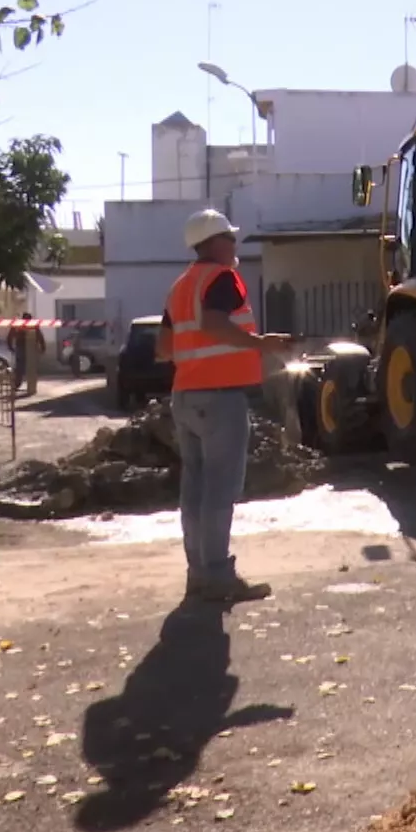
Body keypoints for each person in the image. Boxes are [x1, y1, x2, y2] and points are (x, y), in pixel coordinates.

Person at [162, 209, 291, 604]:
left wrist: (198, 360)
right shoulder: (221, 277)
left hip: (185, 396)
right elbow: (216, 325)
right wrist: (262, 344)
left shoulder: (181, 285)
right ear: (215, 243)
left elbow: (165, 348)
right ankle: (218, 575)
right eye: (230, 238)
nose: (235, 245)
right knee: (220, 489)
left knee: (196, 489)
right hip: (220, 399)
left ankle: (198, 575)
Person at [8, 311, 46, 396]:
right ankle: (30, 386)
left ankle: (17, 384)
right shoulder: (33, 325)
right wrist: (43, 347)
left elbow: (10, 336)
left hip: (22, 348)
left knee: (20, 368)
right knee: (29, 367)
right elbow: (40, 336)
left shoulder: (18, 325)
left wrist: (10, 346)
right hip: (30, 349)